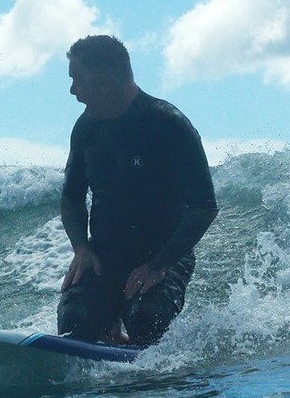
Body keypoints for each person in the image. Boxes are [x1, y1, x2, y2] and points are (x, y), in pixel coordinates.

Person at [58, 35, 217, 346]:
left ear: (103, 82)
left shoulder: (169, 125)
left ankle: (132, 337)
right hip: (105, 254)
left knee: (146, 320)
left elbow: (204, 207)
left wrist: (159, 265)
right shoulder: (86, 129)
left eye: (77, 81)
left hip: (162, 254)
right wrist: (82, 249)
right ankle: (109, 327)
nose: (73, 91)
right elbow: (71, 198)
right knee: (76, 323)